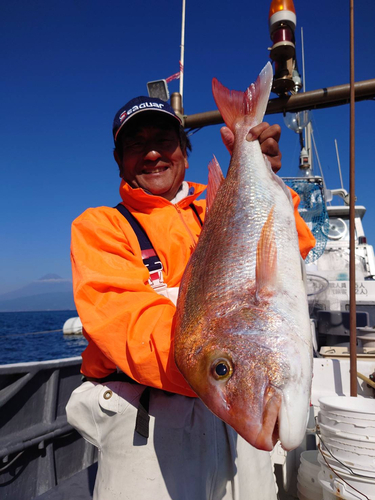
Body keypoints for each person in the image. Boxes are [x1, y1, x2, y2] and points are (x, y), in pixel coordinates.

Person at [66, 96, 315, 500]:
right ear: (118, 160)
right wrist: (220, 366)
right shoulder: (101, 227)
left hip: (235, 422)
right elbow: (128, 325)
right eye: (135, 145)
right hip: (148, 427)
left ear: (184, 149)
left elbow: (294, 249)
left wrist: (266, 178)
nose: (151, 153)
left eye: (164, 140)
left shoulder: (215, 203)